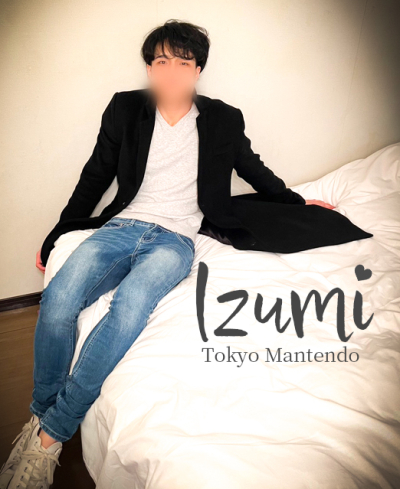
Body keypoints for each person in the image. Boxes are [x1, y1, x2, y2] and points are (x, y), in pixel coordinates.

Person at [0, 19, 333, 489]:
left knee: (130, 306)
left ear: (198, 70)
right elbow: (95, 175)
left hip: (174, 240)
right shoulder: (125, 109)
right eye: (161, 61)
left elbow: (254, 170)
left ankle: (51, 435)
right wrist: (59, 233)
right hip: (121, 228)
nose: (171, 71)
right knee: (58, 299)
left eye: (183, 62)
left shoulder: (223, 119)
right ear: (149, 68)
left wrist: (298, 204)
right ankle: (42, 415)